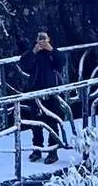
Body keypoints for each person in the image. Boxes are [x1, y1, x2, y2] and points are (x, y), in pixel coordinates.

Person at [18, 30, 64, 162]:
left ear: (49, 38)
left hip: (52, 91)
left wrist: (51, 49)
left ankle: (52, 151)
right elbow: (25, 65)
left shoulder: (54, 52)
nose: (42, 40)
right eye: (40, 38)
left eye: (44, 38)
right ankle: (37, 149)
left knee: (52, 122)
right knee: (36, 123)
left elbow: (61, 62)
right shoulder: (33, 52)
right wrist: (34, 51)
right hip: (35, 91)